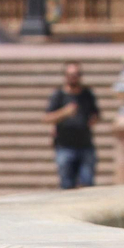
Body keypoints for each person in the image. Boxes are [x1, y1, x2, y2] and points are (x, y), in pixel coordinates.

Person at [44, 61, 101, 190]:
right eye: (70, 75)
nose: (74, 78)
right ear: (65, 76)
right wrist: (65, 112)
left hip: (85, 145)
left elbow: (96, 114)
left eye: (76, 74)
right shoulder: (58, 95)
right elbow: (46, 118)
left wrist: (92, 120)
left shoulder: (87, 94)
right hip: (65, 146)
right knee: (67, 186)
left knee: (87, 184)